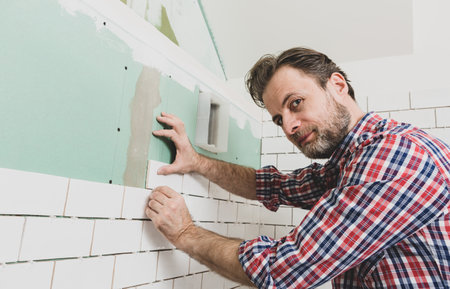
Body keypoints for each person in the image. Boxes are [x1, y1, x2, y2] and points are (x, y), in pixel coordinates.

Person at [145, 47, 450, 288]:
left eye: (295, 103)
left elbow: (282, 270)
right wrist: (197, 161)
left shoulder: (393, 157)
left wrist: (185, 233)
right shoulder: (350, 161)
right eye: (279, 119)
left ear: (337, 85)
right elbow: (272, 185)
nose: (289, 126)